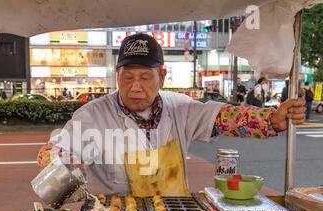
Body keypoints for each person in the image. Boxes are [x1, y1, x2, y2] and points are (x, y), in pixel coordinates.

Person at [37, 33, 305, 197]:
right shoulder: (92, 115)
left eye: (144, 77)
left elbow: (223, 116)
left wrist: (269, 121)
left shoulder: (181, 109)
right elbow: (53, 150)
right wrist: (67, 163)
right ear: (117, 77)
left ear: (162, 77)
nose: (135, 87)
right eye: (127, 77)